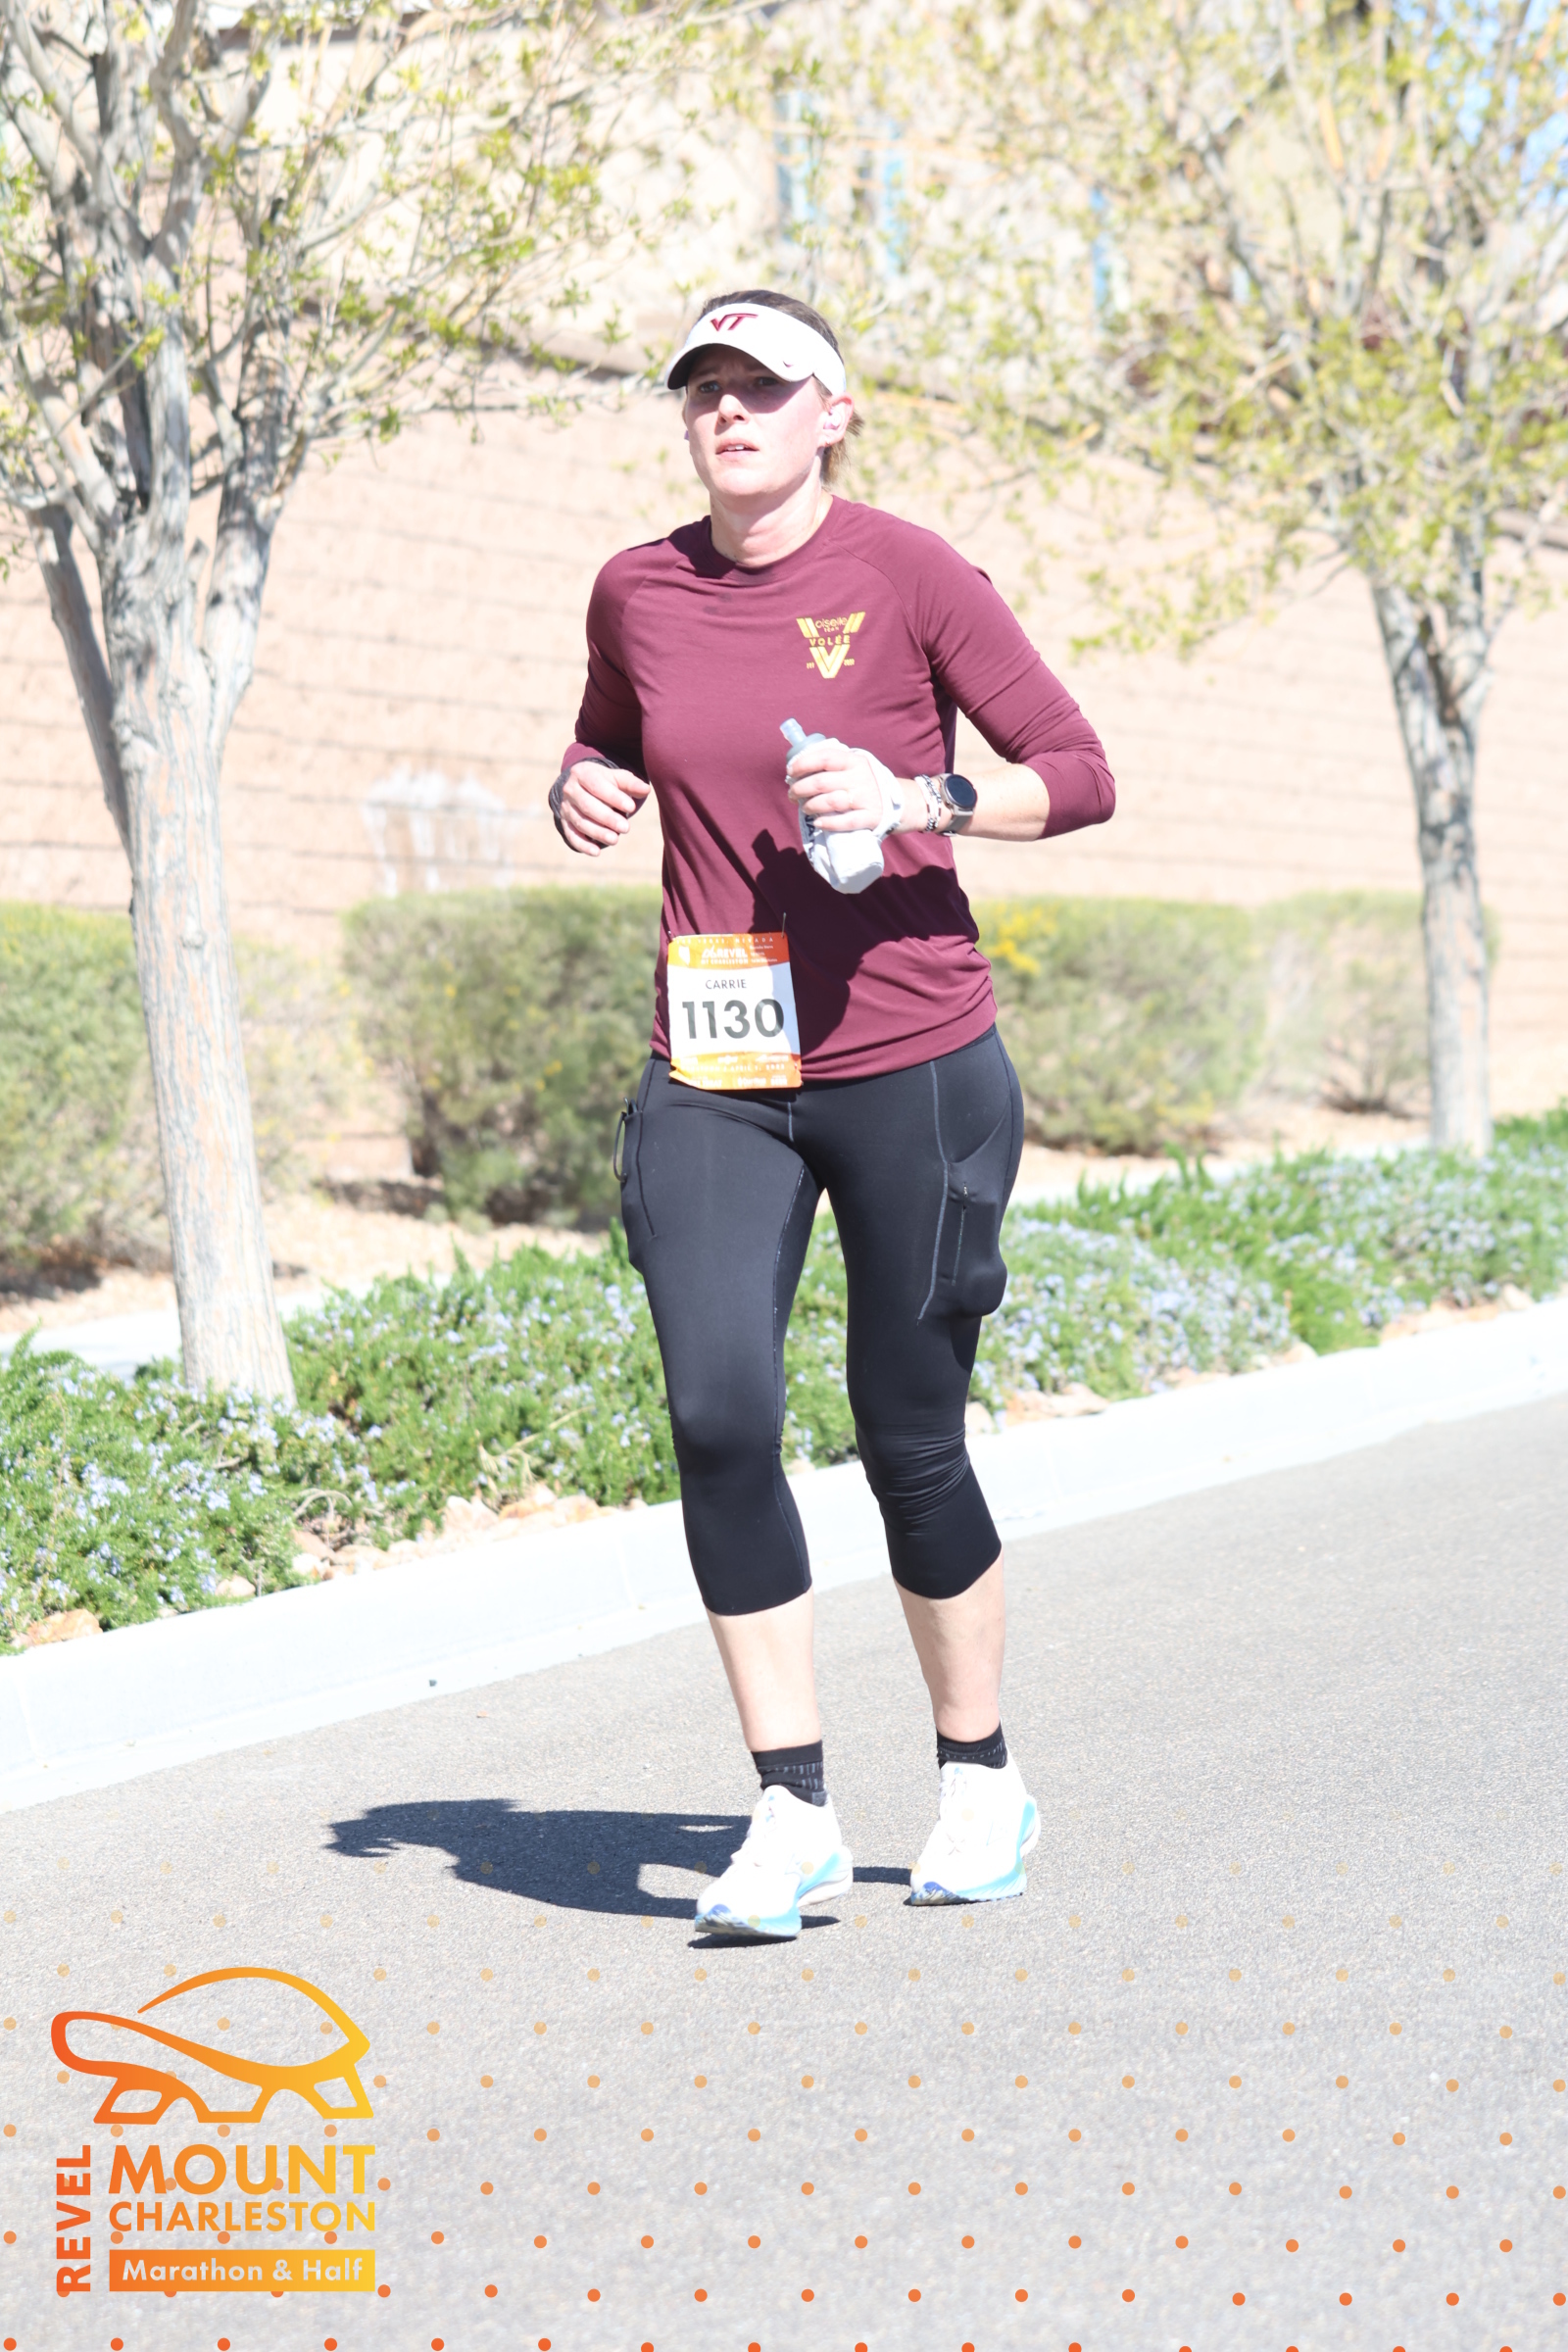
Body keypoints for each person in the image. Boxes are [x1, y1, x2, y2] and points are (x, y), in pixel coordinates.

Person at [551, 289, 1115, 1938]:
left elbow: (1080, 771)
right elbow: (608, 737)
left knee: (906, 1432)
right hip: (719, 1064)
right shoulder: (637, 589)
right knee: (721, 1417)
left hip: (911, 1060)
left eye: (762, 386)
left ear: (834, 412)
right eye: (703, 390)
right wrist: (580, 781)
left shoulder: (909, 574)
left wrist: (918, 794)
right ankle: (790, 1812)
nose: (728, 412)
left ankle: (981, 1778)